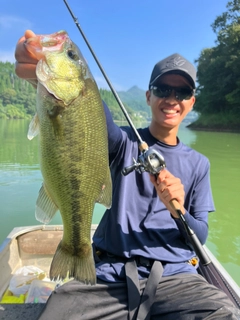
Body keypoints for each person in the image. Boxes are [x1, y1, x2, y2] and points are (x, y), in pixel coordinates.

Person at [15, 30, 240, 320]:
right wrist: (37, 71)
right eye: (162, 90)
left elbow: (202, 235)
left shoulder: (199, 164)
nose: (172, 99)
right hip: (110, 275)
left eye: (182, 92)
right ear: (148, 96)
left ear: (191, 102)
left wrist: (178, 209)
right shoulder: (123, 142)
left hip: (177, 278)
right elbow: (89, 112)